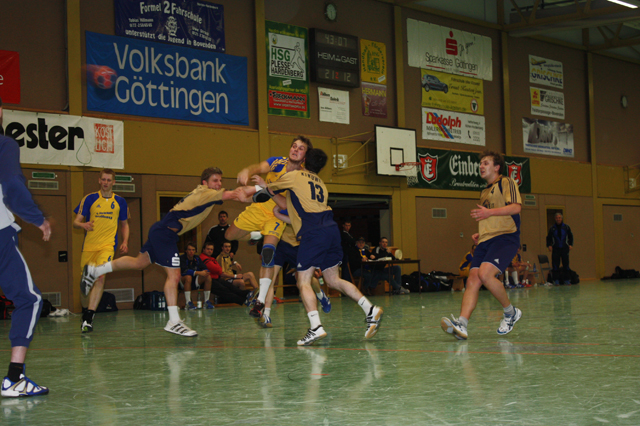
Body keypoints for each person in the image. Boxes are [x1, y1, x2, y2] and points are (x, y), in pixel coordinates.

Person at [80, 167, 241, 337]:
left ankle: (95, 270)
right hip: (165, 234)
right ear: (205, 183)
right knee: (174, 275)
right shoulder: (206, 193)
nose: (219, 184)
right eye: (215, 181)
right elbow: (235, 194)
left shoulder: (205, 194)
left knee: (138, 263)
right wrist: (259, 190)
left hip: (161, 231)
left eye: (220, 181)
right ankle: (174, 321)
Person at [246, 148, 383, 346]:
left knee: (303, 281)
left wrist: (260, 185)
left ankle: (316, 327)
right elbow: (301, 213)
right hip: (331, 230)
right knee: (333, 280)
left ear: (304, 161)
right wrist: (280, 212)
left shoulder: (294, 176)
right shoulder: (321, 184)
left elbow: (268, 190)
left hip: (314, 234)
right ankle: (370, 309)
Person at [225, 136, 312, 319]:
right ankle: (256, 234)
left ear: (305, 156)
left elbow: (285, 205)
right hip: (258, 208)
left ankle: (260, 302)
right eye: (294, 146)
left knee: (268, 254)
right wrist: (246, 171)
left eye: (300, 148)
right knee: (229, 235)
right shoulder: (277, 162)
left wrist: (264, 188)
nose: (295, 150)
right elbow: (258, 167)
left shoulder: (302, 177)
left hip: (276, 214)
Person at [441, 150, 523, 340]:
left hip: (505, 237)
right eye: (481, 163)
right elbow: (490, 215)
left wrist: (489, 214)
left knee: (485, 274)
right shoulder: (484, 191)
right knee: (473, 279)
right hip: (487, 239)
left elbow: (516, 208)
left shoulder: (506, 182)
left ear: (497, 167)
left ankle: (510, 313)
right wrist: (482, 232)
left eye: (486, 163)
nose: (481, 166)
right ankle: (462, 324)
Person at [0, 97, 51, 397]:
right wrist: (37, 218)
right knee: (29, 299)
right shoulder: (5, 144)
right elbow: (12, 185)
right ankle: (14, 378)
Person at [73, 169, 130, 333]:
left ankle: (89, 317)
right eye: (103, 179)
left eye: (109, 180)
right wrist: (83, 225)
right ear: (99, 181)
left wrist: (125, 241)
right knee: (85, 286)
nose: (106, 182)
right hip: (89, 247)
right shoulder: (89, 199)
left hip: (108, 246)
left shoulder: (120, 201)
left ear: (113, 182)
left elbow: (124, 224)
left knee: (100, 277)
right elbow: (76, 222)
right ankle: (85, 311)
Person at [257, 214, 331, 328]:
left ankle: (321, 295)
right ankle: (266, 315)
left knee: (306, 280)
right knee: (271, 280)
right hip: (280, 245)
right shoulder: (277, 208)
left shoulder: (300, 210)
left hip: (298, 247)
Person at [179, 243, 214, 310]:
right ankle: (188, 303)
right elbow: (184, 271)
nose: (191, 252)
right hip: (184, 281)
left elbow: (205, 268)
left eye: (193, 250)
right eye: (189, 250)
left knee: (208, 276)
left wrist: (204, 272)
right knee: (188, 277)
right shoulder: (182, 258)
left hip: (195, 281)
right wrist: (197, 272)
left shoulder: (197, 258)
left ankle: (206, 302)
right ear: (186, 251)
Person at [546, 212, 573, 285]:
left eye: (559, 218)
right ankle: (556, 280)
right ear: (555, 219)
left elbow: (570, 236)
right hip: (556, 248)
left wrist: (570, 244)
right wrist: (549, 245)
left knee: (566, 264)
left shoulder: (566, 227)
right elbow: (548, 238)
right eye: (557, 218)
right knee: (555, 265)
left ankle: (567, 279)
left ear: (562, 218)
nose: (558, 219)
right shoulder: (552, 228)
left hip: (564, 248)